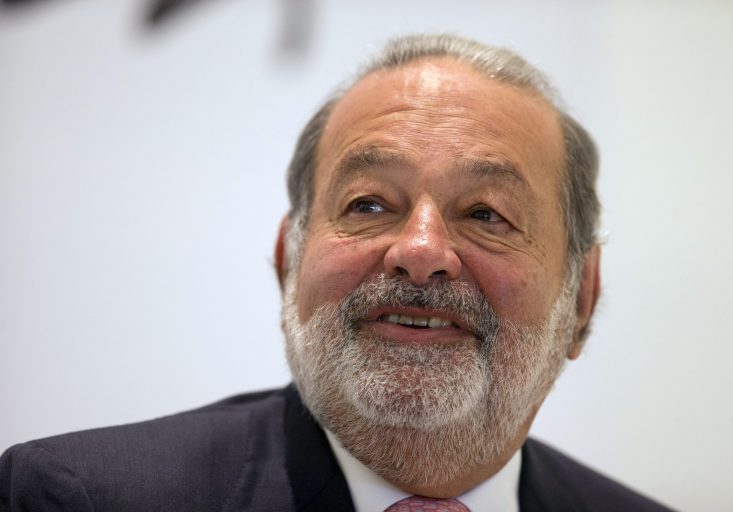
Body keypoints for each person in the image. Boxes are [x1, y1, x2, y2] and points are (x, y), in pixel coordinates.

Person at [0, 34, 673, 511]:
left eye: (487, 214)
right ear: (289, 262)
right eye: (370, 203)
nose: (420, 248)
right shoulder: (79, 497)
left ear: (581, 299)